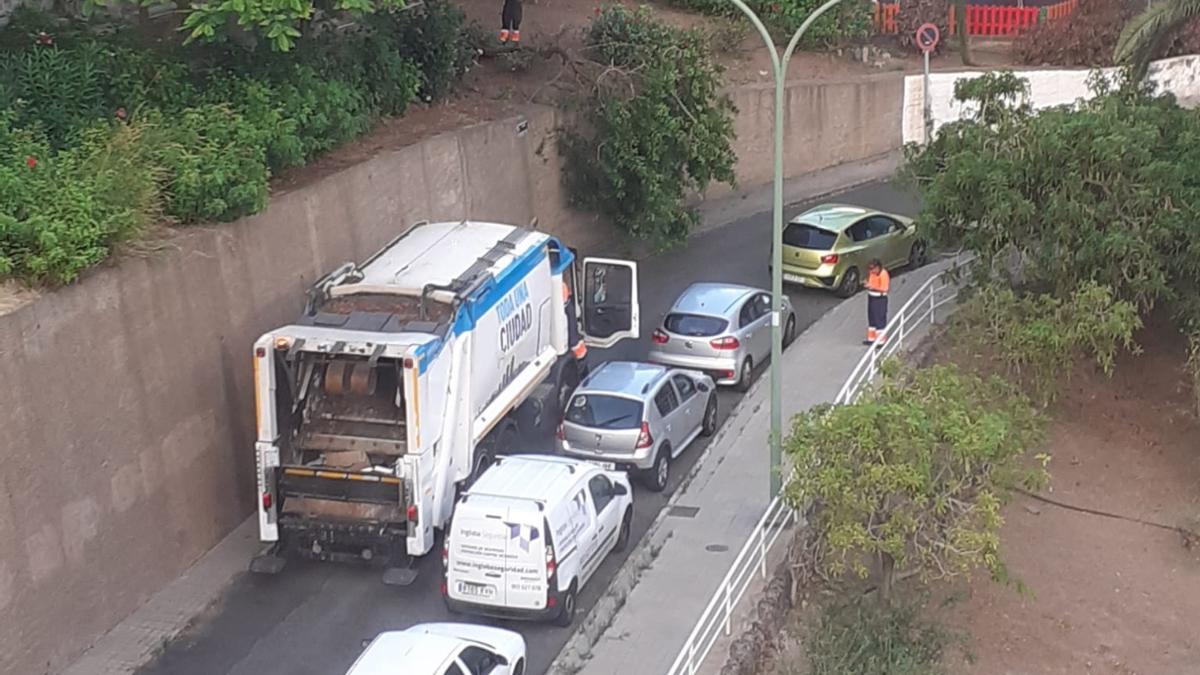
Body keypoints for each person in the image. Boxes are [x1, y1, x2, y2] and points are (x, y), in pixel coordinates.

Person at [864, 258, 890, 346]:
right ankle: (871, 339)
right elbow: (872, 282)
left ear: (878, 267)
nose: (871, 271)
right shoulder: (872, 273)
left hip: (880, 299)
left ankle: (881, 341)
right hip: (871, 297)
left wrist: (873, 287)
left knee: (879, 318)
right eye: (870, 269)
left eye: (872, 269)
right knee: (872, 318)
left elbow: (885, 288)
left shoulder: (883, 274)